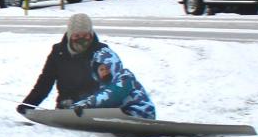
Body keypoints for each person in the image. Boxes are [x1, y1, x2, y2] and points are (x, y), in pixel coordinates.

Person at [17, 13, 156, 119]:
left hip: (93, 107)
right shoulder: (58, 53)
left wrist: (88, 103)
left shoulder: (101, 54)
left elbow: (114, 83)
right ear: (70, 35)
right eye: (77, 36)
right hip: (67, 107)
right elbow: (44, 82)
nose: (82, 40)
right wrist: (29, 105)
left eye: (86, 35)